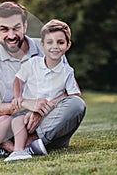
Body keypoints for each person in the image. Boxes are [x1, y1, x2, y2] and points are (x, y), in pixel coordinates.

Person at [0, 2, 86, 162]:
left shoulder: (50, 46)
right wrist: (25, 104)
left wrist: (41, 110)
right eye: (4, 29)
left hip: (43, 124)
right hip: (7, 124)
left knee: (76, 104)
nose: (11, 35)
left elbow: (70, 92)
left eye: (16, 28)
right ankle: (13, 147)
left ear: (25, 26)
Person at [6, 19, 82, 161]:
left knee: (77, 104)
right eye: (49, 42)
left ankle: (22, 147)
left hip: (50, 118)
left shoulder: (67, 71)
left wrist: (49, 105)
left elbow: (75, 94)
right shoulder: (33, 63)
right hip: (27, 116)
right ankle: (17, 149)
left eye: (60, 43)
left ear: (68, 45)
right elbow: (18, 80)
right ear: (42, 45)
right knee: (15, 120)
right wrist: (19, 98)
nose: (55, 47)